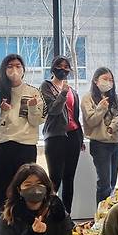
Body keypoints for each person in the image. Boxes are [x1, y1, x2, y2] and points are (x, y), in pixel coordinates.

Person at [0, 54, 45, 212]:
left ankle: (25, 221)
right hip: (2, 145)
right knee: (1, 187)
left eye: (18, 66)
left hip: (26, 146)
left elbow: (37, 121)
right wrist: (2, 112)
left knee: (26, 187)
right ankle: (5, 221)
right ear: (4, 69)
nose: (14, 69)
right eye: (10, 66)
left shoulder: (33, 91)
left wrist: (32, 107)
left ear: (23, 69)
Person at [40, 56, 84, 214]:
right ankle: (48, 214)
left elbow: (75, 115)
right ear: (53, 68)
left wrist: (81, 136)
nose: (63, 69)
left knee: (69, 178)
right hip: (55, 137)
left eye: (67, 66)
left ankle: (67, 216)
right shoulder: (46, 86)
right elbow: (53, 110)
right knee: (54, 179)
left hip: (73, 136)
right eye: (60, 65)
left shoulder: (72, 90)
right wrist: (63, 93)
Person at [81, 67, 118, 204]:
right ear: (96, 80)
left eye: (111, 80)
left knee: (113, 183)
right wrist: (101, 108)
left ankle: (109, 215)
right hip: (100, 144)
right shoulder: (87, 98)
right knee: (104, 183)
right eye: (105, 79)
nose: (108, 82)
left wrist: (113, 126)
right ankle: (100, 217)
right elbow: (91, 121)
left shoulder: (116, 98)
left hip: (116, 142)